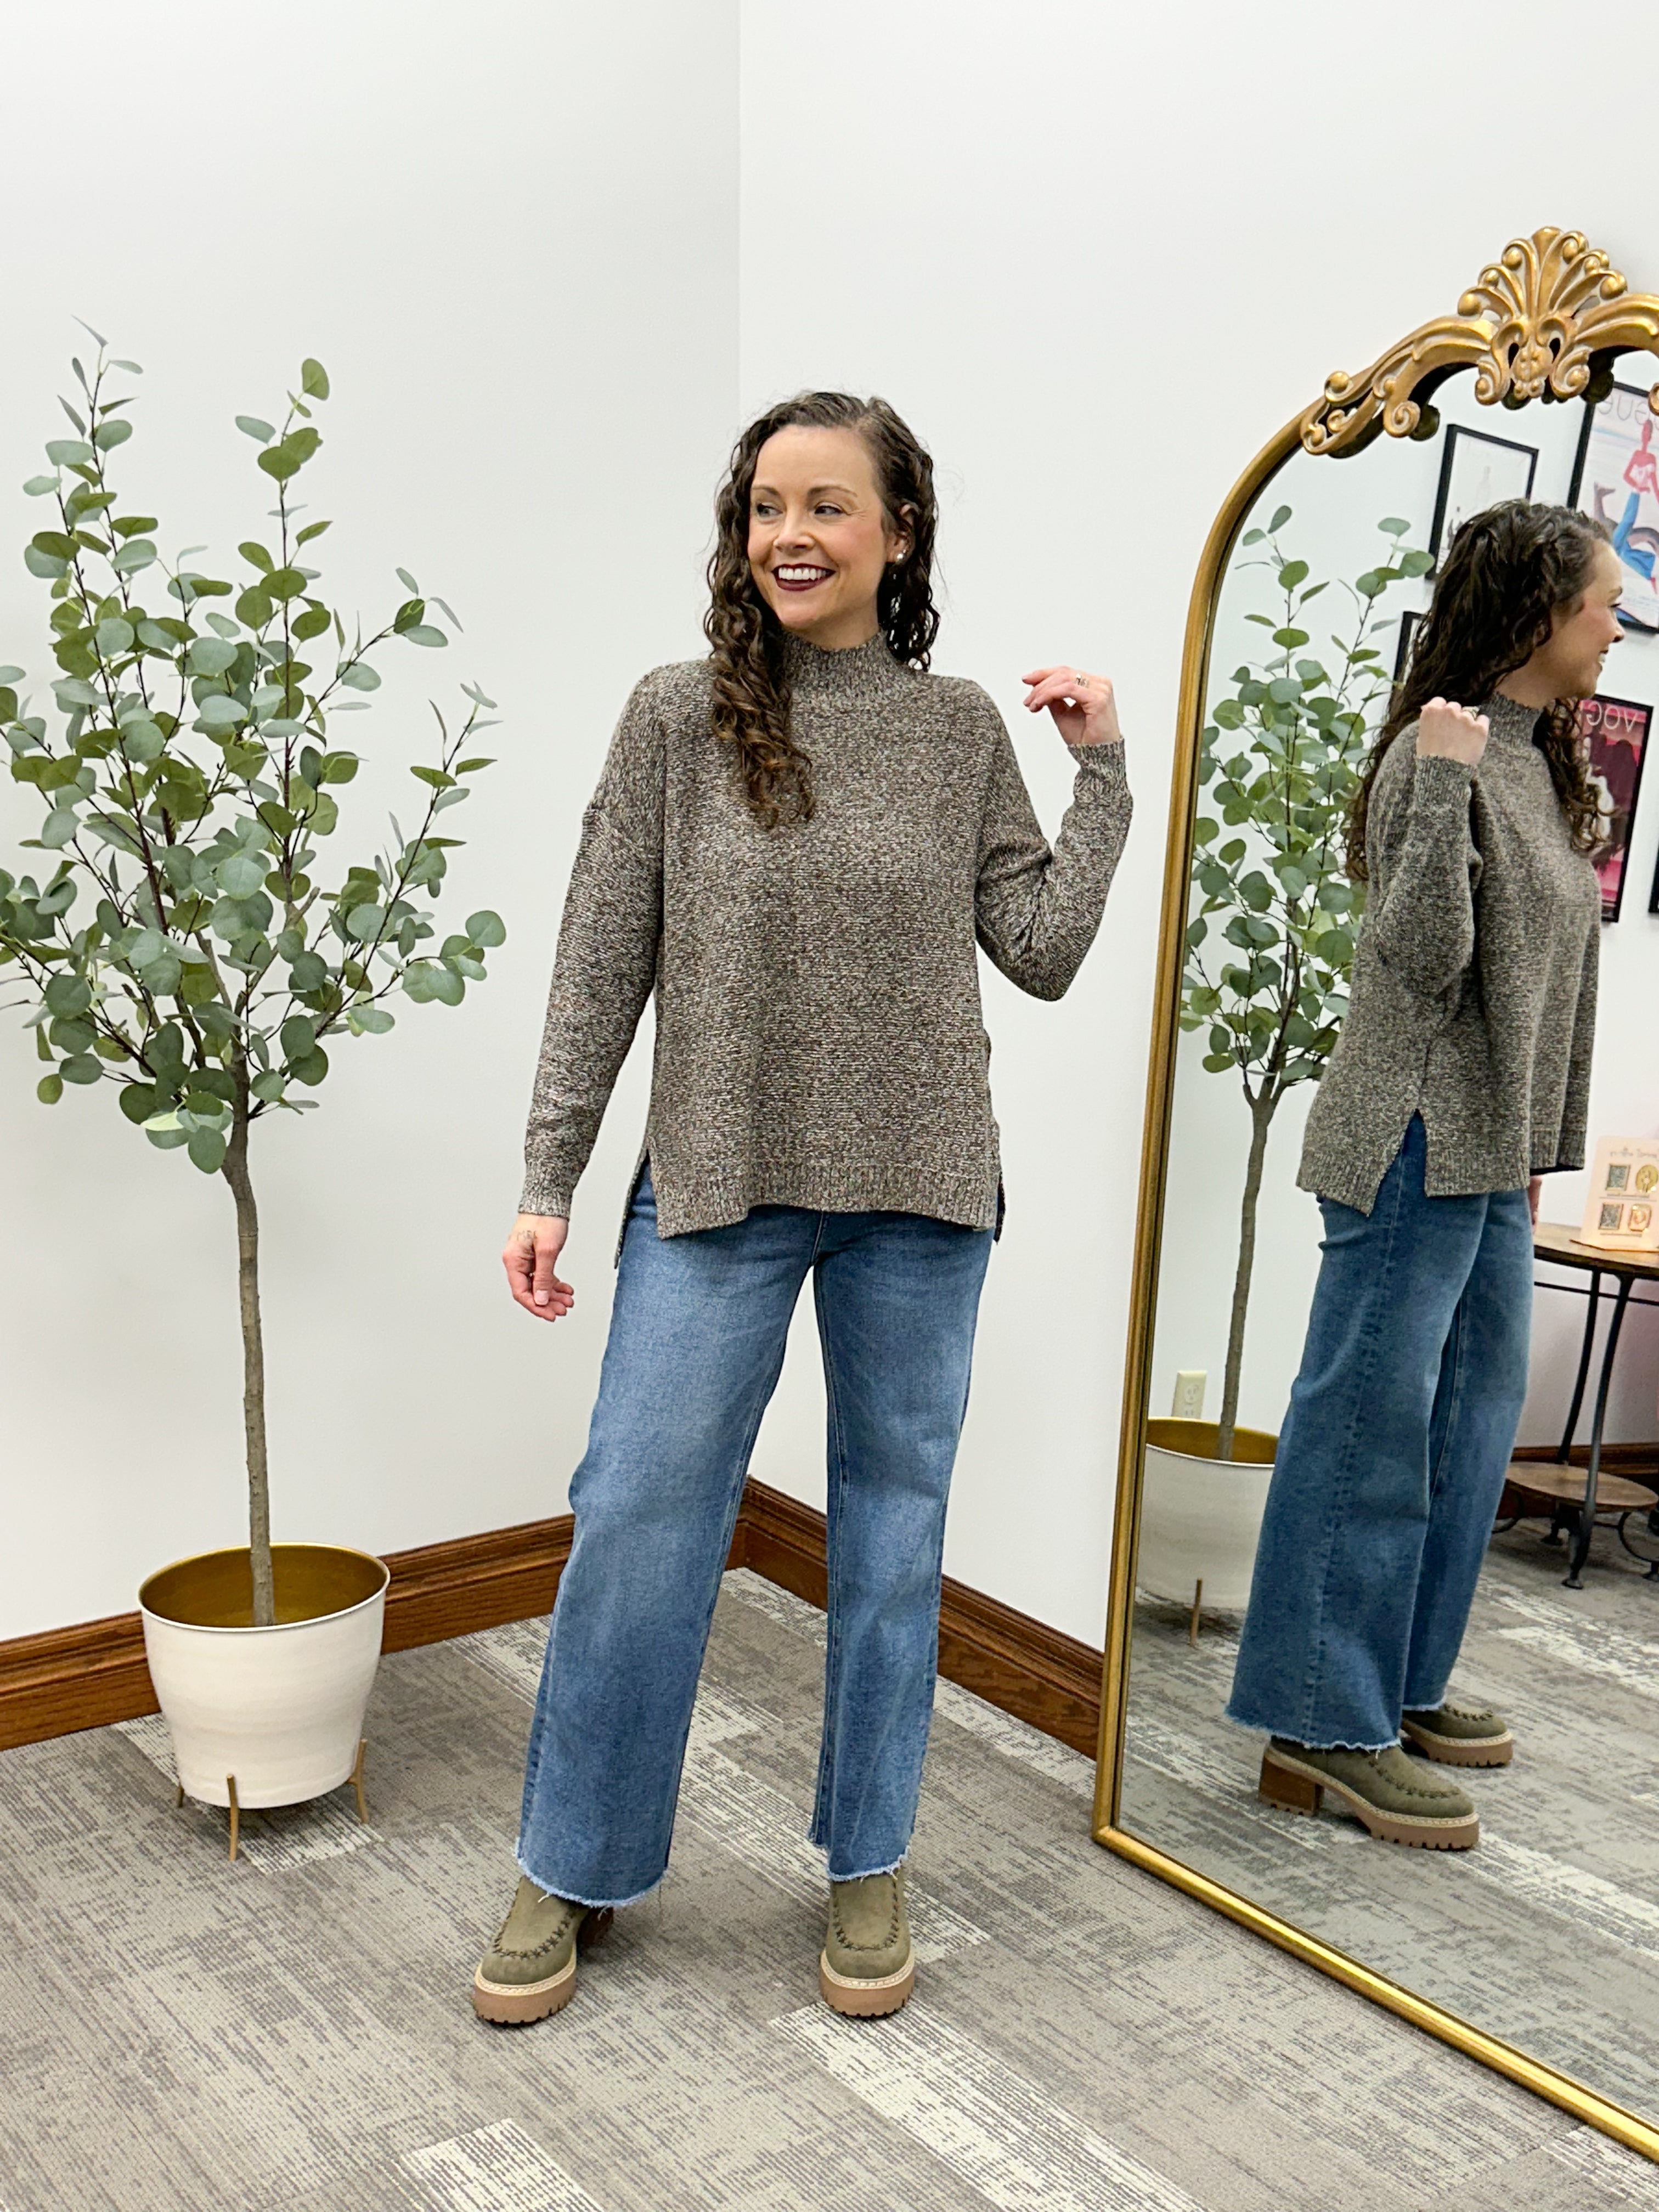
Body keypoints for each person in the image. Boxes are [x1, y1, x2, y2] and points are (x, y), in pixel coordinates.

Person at [472, 391, 1132, 2024]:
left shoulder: (960, 726)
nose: (789, 533)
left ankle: (867, 1859)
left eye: (828, 505)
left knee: (894, 1539)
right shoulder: (672, 718)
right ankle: (573, 1863)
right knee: (638, 1516)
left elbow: (1041, 954)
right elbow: (598, 957)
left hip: (921, 1189)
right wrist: (549, 1174)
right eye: (767, 504)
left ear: (898, 533)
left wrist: (1104, 773)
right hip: (719, 1178)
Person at [1226, 500, 1617, 1850]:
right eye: (1602, 604)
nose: (1618, 625)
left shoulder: (1540, 762)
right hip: (1410, 1135)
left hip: (1489, 1152)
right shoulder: (1432, 755)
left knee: (1470, 1421)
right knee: (1367, 1428)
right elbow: (1418, 962)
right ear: (1537, 613)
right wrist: (1441, 777)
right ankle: (1320, 1723)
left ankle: (1399, 1682)